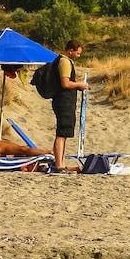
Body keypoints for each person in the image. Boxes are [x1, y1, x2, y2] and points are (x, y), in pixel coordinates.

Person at [51, 39, 89, 173]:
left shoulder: (64, 61)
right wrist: (79, 84)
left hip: (64, 101)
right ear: (70, 50)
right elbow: (65, 84)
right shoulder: (64, 62)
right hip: (63, 102)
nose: (78, 56)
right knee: (62, 133)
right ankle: (59, 165)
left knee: (64, 132)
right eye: (77, 53)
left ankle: (61, 162)